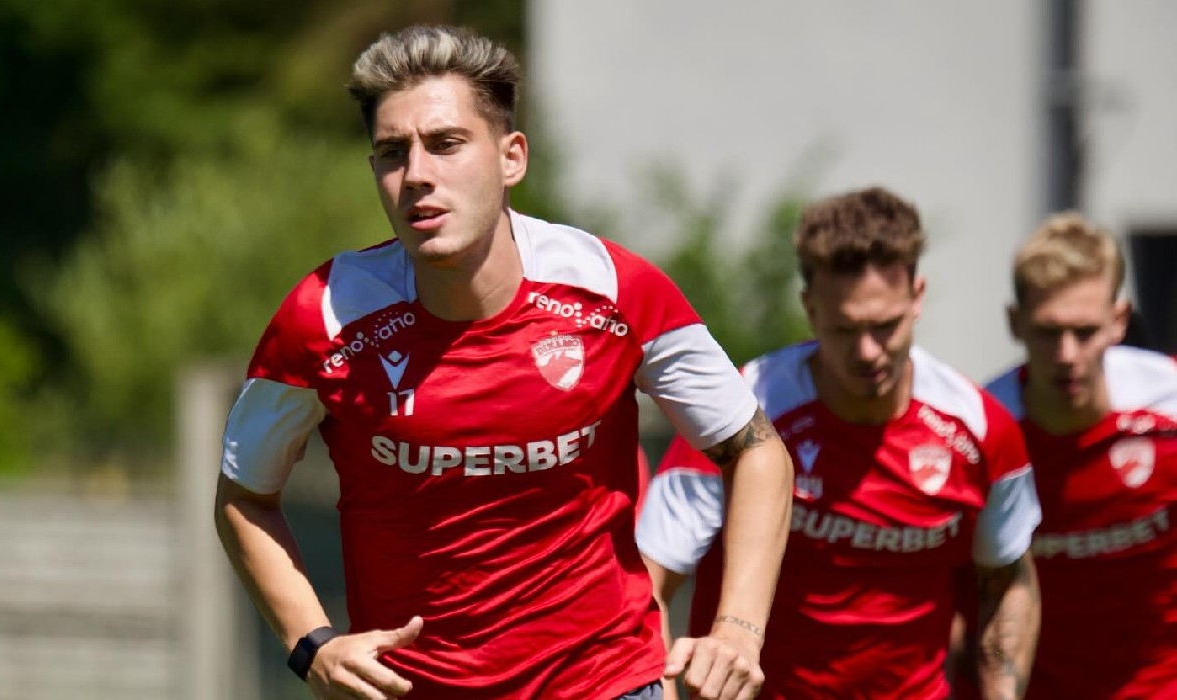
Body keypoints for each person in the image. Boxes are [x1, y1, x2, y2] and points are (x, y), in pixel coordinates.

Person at [213, 24, 794, 700]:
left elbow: (757, 449)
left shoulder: (614, 289)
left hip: (607, 684)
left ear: (511, 157)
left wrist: (738, 630)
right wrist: (311, 644)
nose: (417, 174)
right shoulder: (323, 316)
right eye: (393, 153)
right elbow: (243, 496)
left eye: (446, 144)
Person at [636, 186, 1043, 699]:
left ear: (917, 296)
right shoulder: (738, 417)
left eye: (885, 326)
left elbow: (1006, 583)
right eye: (845, 329)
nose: (868, 351)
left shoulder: (981, 429)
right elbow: (648, 583)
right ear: (810, 308)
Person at [983, 213, 1177, 698]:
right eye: (1049, 332)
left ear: (1119, 320)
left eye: (1085, 332)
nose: (1067, 354)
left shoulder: (1169, 405)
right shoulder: (981, 430)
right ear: (1015, 322)